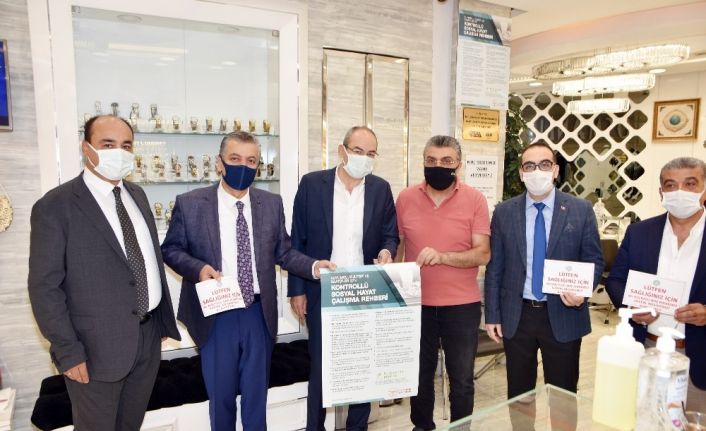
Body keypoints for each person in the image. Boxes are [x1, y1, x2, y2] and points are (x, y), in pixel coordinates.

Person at [161, 131, 333, 430]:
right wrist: (199, 269)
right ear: (219, 163)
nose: (244, 166)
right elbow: (171, 249)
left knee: (256, 397)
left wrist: (315, 266)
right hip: (216, 313)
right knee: (222, 398)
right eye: (235, 159)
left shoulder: (271, 203)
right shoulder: (191, 203)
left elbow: (284, 252)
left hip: (258, 312)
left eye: (251, 161)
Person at [28, 115, 180, 430]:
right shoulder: (56, 206)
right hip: (94, 350)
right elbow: (44, 288)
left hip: (147, 338)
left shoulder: (137, 195)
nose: (119, 153)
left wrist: (160, 321)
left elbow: (147, 259)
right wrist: (68, 351)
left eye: (126, 145)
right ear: (87, 148)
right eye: (108, 145)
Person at [288, 126, 399, 431]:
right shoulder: (312, 184)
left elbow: (390, 234)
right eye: (358, 151)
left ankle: (357, 427)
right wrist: (297, 290)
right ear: (342, 151)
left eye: (371, 153)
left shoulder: (380, 189)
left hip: (365, 290)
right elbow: (297, 240)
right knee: (321, 367)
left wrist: (387, 252)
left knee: (362, 368)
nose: (365, 158)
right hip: (322, 288)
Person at [484, 142, 603, 404]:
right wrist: (492, 314)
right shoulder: (504, 212)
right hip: (518, 315)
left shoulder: (580, 209)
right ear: (521, 173)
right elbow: (496, 267)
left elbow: (594, 259)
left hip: (563, 313)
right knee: (520, 397)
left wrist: (582, 292)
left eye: (545, 164)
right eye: (530, 166)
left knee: (562, 398)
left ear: (556, 170)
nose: (537, 171)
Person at [395, 135, 490, 430]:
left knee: (461, 380)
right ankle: (422, 426)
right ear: (423, 162)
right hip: (416, 305)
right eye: (431, 160)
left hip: (461, 306)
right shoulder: (405, 198)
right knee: (418, 377)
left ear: (458, 164)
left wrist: (443, 257)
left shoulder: (475, 199)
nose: (438, 166)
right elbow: (398, 248)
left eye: (446, 161)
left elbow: (483, 253)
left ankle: (460, 428)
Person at [606, 156, 706, 412]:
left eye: (690, 184)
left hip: (699, 356)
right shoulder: (639, 232)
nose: (680, 192)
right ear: (661, 192)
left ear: (704, 189)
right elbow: (615, 281)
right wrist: (632, 307)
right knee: (644, 420)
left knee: (695, 423)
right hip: (646, 349)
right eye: (671, 185)